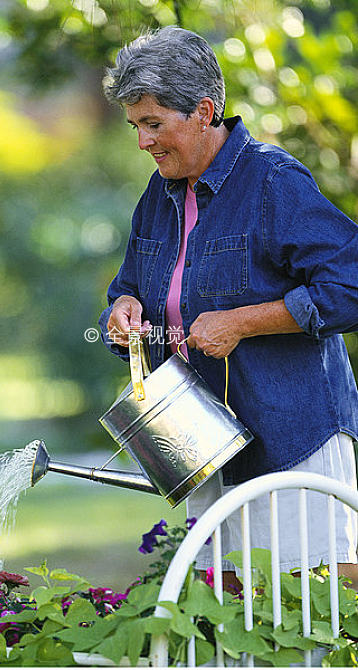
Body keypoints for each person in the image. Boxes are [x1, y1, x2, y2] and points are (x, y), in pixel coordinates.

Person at [98, 26, 358, 589]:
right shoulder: (160, 195)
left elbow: (350, 284)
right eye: (135, 126)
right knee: (231, 618)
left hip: (294, 438)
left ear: (204, 111)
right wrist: (123, 311)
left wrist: (244, 322)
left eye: (153, 124)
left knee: (313, 608)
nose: (142, 141)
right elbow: (130, 286)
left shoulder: (273, 181)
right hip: (206, 445)